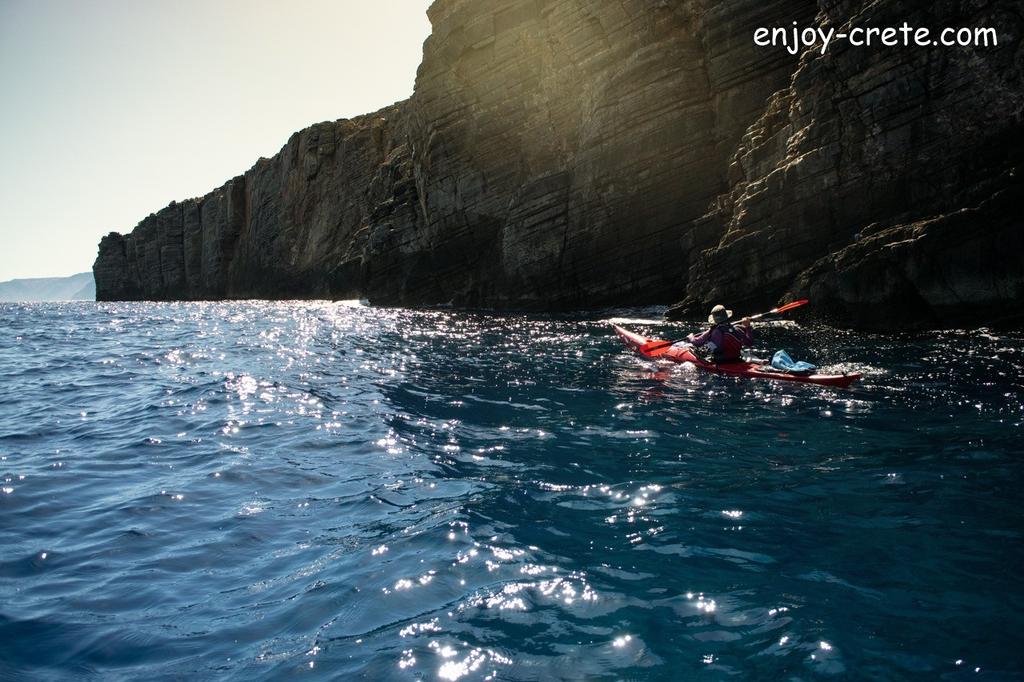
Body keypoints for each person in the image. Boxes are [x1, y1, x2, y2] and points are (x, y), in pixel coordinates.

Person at [686, 304, 753, 363]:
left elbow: (697, 342)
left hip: (721, 361)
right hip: (736, 359)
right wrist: (748, 327)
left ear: (714, 319)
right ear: (727, 316)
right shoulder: (737, 329)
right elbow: (749, 343)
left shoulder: (712, 331)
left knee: (706, 347)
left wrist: (690, 337)